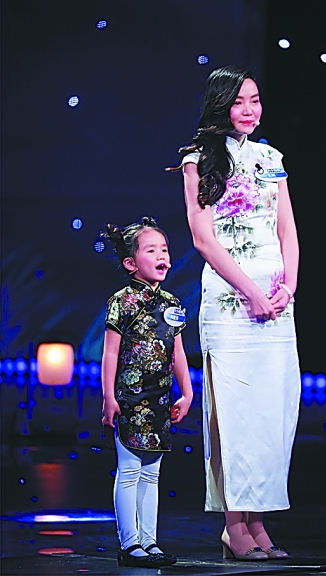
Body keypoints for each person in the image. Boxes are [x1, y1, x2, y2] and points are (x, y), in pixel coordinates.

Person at [176, 66, 301, 560]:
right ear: (221, 105)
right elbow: (203, 239)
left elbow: (287, 229)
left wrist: (288, 287)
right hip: (231, 304)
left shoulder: (271, 158)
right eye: (239, 102)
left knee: (273, 412)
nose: (249, 110)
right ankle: (235, 525)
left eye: (255, 100)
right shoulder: (199, 159)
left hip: (276, 302)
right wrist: (250, 291)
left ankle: (259, 520)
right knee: (234, 413)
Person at [101, 216, 193, 568]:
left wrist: (187, 393)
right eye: (151, 250)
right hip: (129, 399)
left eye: (164, 250)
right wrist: (109, 397)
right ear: (130, 263)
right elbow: (110, 353)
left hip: (160, 401)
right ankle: (129, 543)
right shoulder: (122, 302)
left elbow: (178, 352)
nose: (162, 256)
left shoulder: (171, 303)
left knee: (152, 473)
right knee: (129, 470)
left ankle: (149, 541)